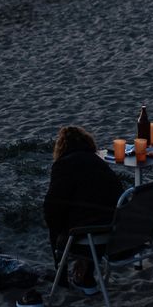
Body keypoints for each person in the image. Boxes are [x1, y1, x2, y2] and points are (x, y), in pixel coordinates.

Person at [42, 125, 125, 291]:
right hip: (116, 234)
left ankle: (62, 274)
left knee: (55, 224)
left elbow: (52, 208)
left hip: (89, 235)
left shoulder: (63, 165)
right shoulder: (99, 163)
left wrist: (62, 229)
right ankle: (86, 275)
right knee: (88, 216)